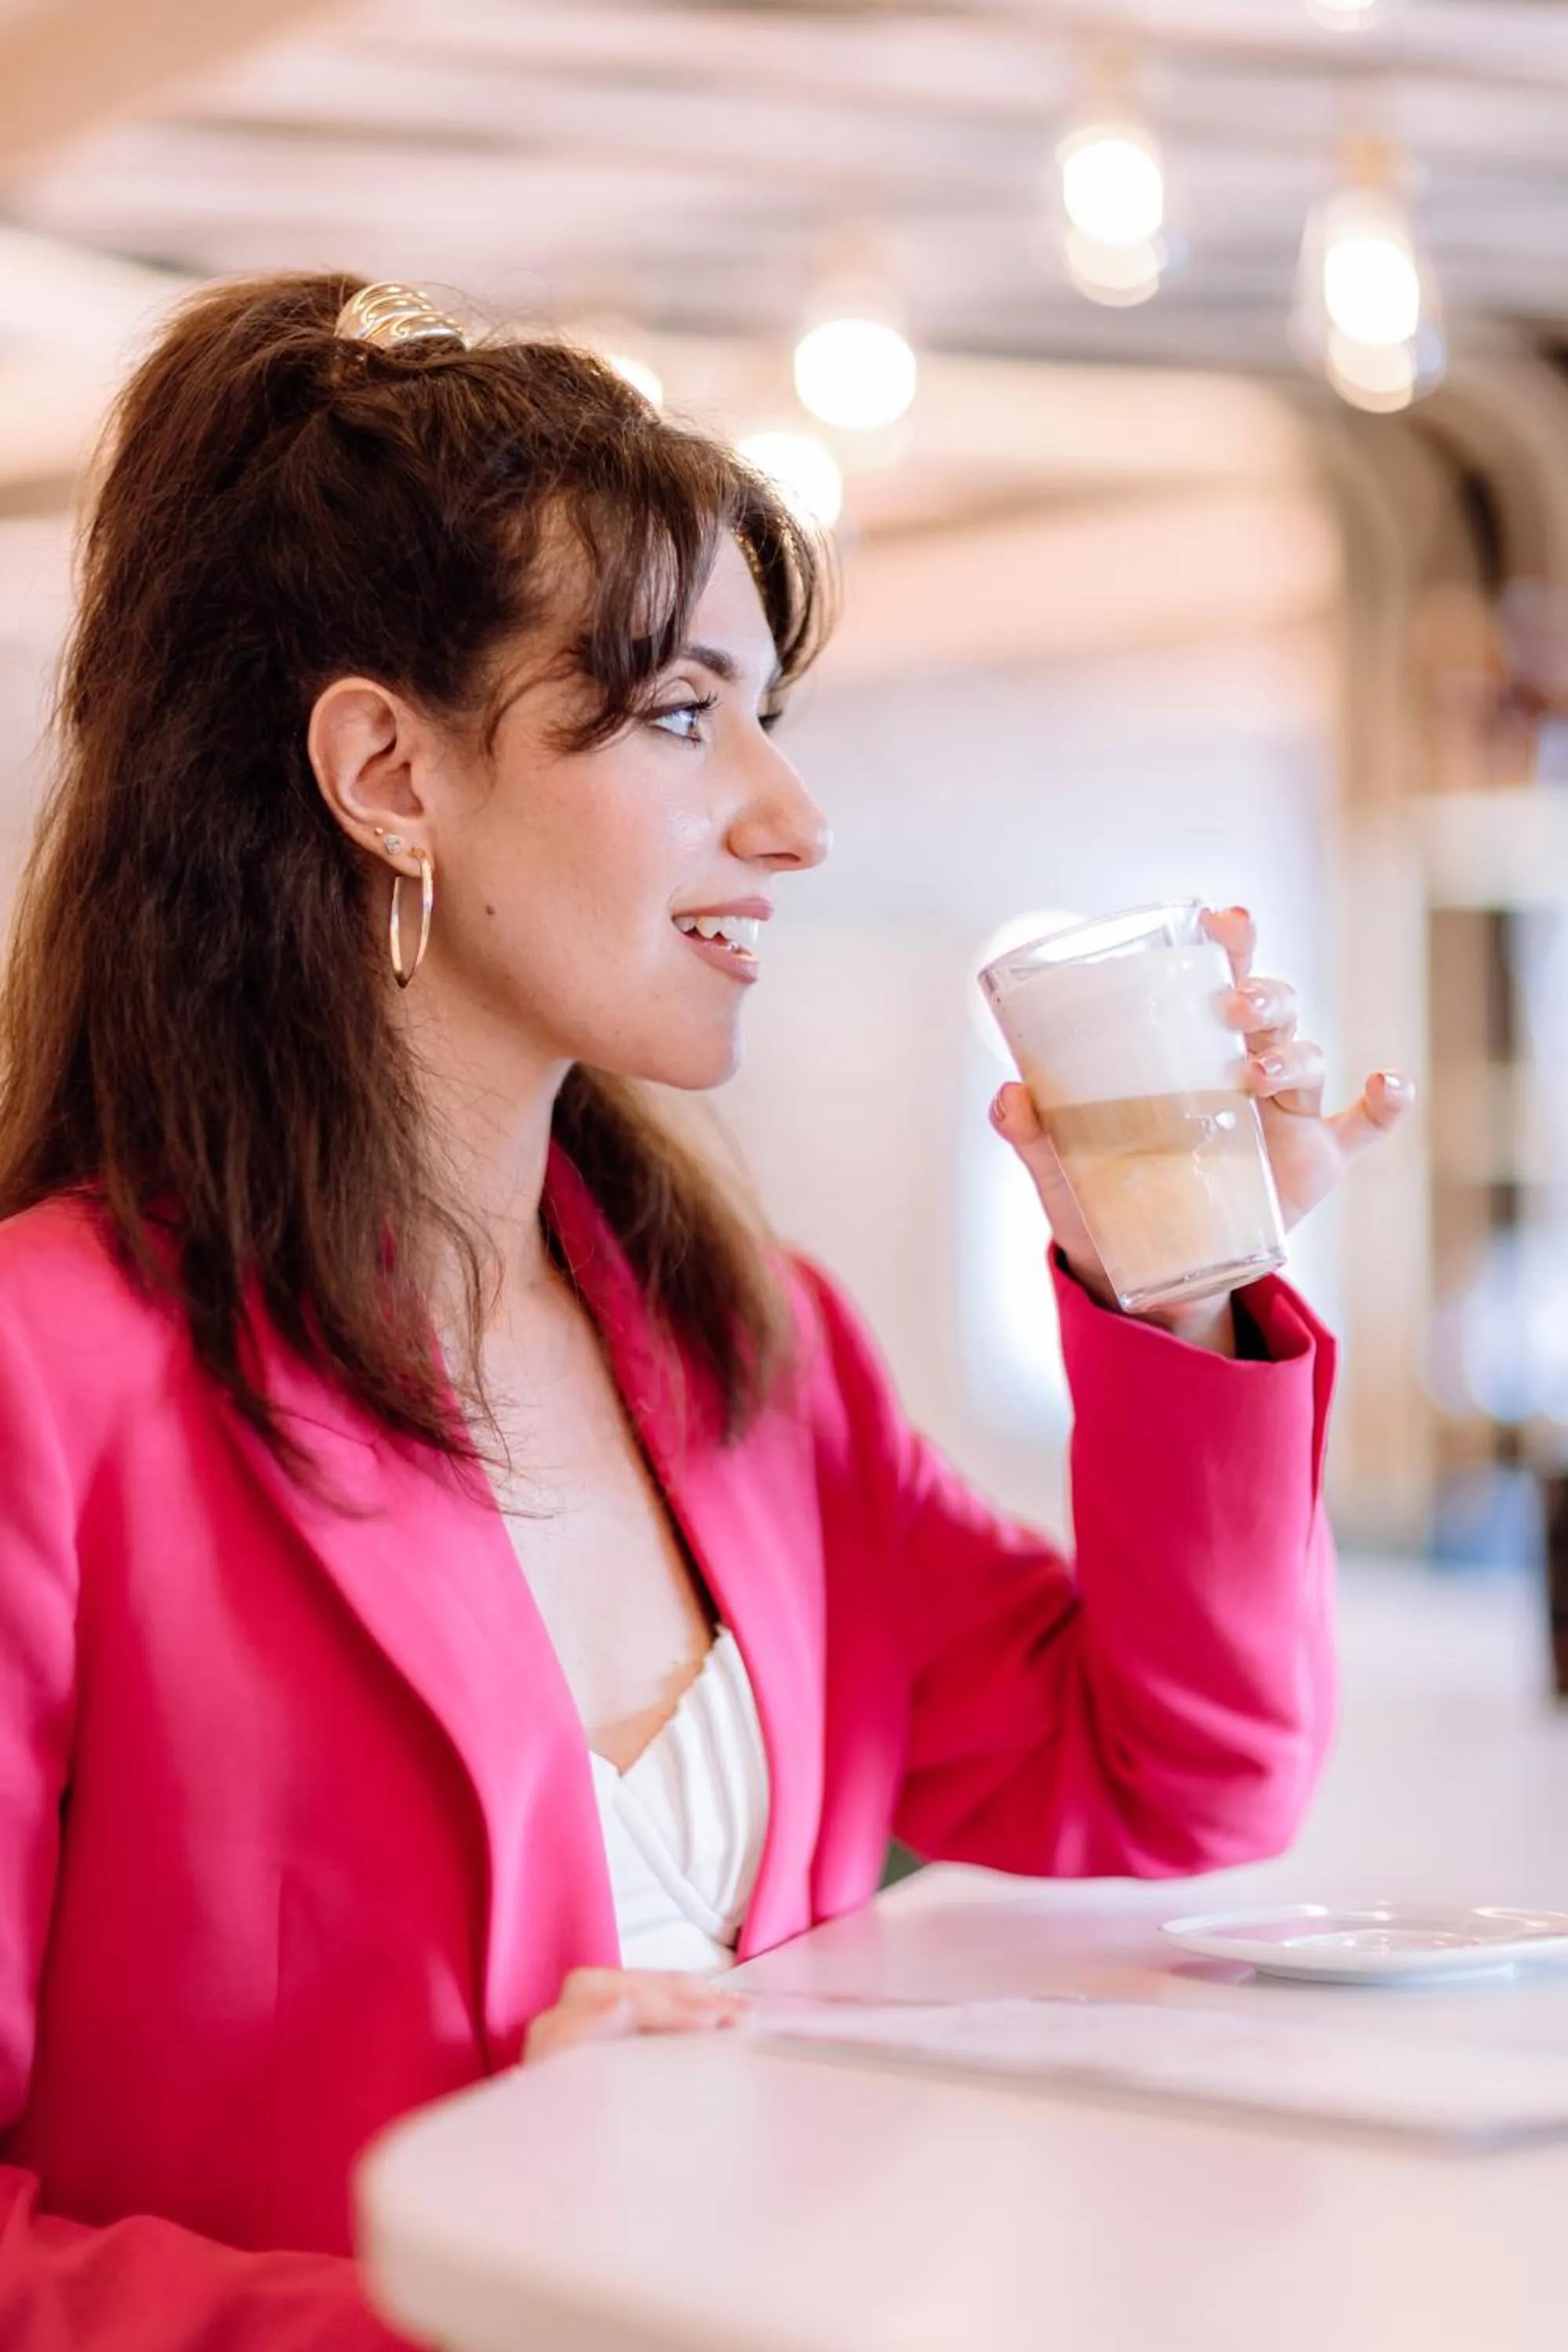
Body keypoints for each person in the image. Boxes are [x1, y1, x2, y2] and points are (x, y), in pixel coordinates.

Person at [0, 274, 1410, 2350]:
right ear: (386, 768)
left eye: (770, 714)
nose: (793, 816)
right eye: (681, 717)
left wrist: (1174, 1278)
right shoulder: (56, 1381)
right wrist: (465, 2296)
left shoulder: (752, 1357)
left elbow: (1179, 1773)